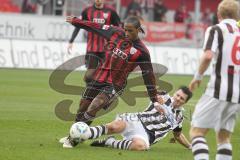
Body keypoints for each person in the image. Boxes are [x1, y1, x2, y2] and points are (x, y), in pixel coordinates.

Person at [61, 15, 161, 148]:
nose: (126, 33)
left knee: (95, 105)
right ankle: (74, 135)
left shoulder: (142, 51)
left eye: (130, 31)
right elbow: (94, 26)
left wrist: (154, 99)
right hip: (99, 76)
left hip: (115, 84)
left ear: (138, 30)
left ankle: (73, 139)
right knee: (82, 107)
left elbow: (148, 75)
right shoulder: (115, 32)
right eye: (125, 29)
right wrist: (76, 21)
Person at [61, 86, 193, 150]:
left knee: (140, 147)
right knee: (114, 126)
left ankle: (110, 142)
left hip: (147, 136)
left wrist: (190, 147)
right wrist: (156, 97)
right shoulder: (163, 96)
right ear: (174, 93)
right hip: (137, 120)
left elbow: (178, 136)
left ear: (185, 102)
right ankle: (78, 136)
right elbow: (151, 90)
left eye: (182, 98)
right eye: (178, 95)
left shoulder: (179, 117)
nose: (178, 99)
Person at [189, 1, 240, 160]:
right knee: (224, 137)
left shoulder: (216, 30)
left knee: (197, 132)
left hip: (218, 89)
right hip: (237, 93)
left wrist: (197, 77)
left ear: (218, 15)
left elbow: (208, 55)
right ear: (237, 15)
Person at [68, 0, 121, 83]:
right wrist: (71, 41)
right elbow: (79, 25)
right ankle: (89, 94)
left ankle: (103, 93)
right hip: (92, 49)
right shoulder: (87, 11)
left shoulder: (111, 11)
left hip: (106, 49)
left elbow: (118, 28)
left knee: (106, 73)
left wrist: (118, 43)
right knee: (90, 74)